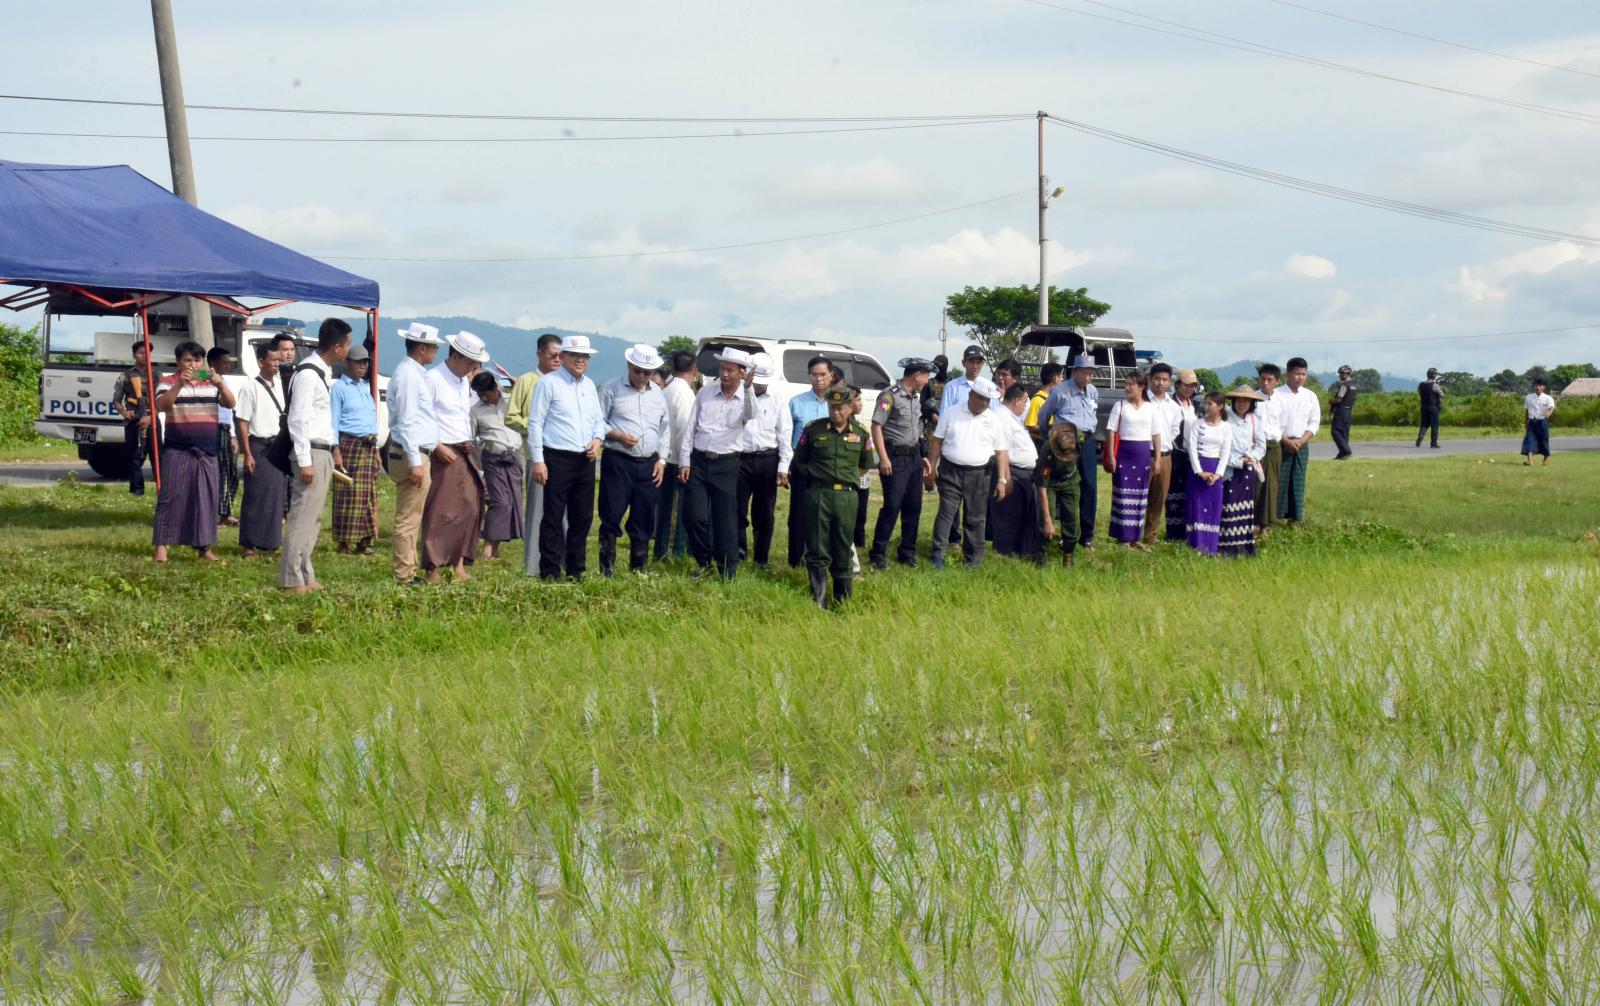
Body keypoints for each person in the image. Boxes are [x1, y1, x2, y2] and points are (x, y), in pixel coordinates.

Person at [279, 319, 351, 593]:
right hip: (310, 450)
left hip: (322, 450)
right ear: (337, 346)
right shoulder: (308, 374)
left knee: (313, 517)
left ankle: (305, 573)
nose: (347, 349)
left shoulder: (322, 372)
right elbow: (297, 419)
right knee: (301, 516)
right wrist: (305, 460)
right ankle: (291, 578)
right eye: (347, 344)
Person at [526, 334, 604, 581]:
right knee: (553, 515)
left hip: (585, 458)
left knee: (582, 517)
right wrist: (538, 460)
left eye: (585, 356)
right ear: (563, 356)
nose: (581, 360)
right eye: (575, 355)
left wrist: (597, 440)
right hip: (557, 457)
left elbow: (598, 420)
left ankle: (575, 568)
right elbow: (535, 423)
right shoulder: (549, 383)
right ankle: (550, 569)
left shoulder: (589, 385)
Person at [792, 386, 878, 608]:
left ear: (850, 408)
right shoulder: (814, 430)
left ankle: (842, 600)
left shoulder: (860, 433)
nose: (836, 411)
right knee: (817, 547)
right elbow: (800, 461)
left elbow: (865, 466)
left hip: (846, 497)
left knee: (842, 546)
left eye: (840, 407)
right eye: (832, 407)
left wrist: (845, 478)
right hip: (819, 494)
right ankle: (819, 601)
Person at [151, 341, 235, 563]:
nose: (193, 365)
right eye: (188, 360)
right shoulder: (168, 381)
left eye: (197, 360)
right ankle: (161, 545)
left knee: (206, 499)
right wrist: (180, 384)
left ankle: (204, 547)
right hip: (178, 447)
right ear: (178, 362)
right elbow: (162, 406)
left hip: (207, 449)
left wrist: (220, 385)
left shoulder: (211, 382)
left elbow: (230, 403)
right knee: (170, 497)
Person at [679, 347, 756, 579]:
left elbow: (751, 414)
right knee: (693, 515)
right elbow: (690, 427)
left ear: (742, 373)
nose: (725, 374)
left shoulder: (746, 396)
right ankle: (703, 561)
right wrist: (685, 461)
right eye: (722, 369)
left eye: (730, 370)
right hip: (699, 460)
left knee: (725, 520)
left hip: (727, 464)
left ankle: (727, 569)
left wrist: (749, 389)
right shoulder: (705, 393)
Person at [598, 344, 671, 575]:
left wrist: (662, 460)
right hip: (619, 460)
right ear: (629, 365)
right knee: (611, 513)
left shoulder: (657, 393)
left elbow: (665, 429)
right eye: (637, 371)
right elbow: (597, 422)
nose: (641, 376)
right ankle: (606, 569)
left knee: (644, 515)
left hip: (649, 464)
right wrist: (617, 435)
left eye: (647, 373)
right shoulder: (611, 389)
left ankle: (639, 569)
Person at [926, 377, 1010, 569]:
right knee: (946, 514)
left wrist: (1002, 479)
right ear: (971, 395)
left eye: (987, 400)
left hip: (980, 474)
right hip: (951, 471)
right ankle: (937, 555)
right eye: (981, 398)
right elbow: (937, 441)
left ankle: (973, 560)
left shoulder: (993, 420)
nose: (984, 403)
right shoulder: (951, 413)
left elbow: (1001, 451)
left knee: (975, 517)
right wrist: (931, 468)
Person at [386, 323, 443, 585]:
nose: (435, 351)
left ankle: (408, 568)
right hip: (412, 452)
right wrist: (415, 460)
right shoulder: (409, 376)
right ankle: (404, 573)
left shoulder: (412, 373)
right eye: (433, 346)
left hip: (415, 451)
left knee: (412, 515)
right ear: (421, 348)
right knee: (408, 516)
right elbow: (407, 421)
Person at [505, 332, 563, 578]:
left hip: (564, 456)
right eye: (553, 355)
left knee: (563, 513)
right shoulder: (527, 381)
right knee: (537, 512)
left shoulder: (565, 381)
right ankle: (532, 566)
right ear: (540, 354)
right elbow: (511, 416)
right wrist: (535, 426)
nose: (557, 360)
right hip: (537, 455)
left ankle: (560, 564)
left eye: (561, 356)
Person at [868, 357, 935, 569]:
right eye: (926, 376)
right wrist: (883, 458)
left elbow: (914, 431)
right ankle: (878, 554)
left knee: (913, 507)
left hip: (913, 457)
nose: (927, 381)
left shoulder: (915, 398)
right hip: (895, 458)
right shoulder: (890, 395)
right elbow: (876, 426)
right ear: (917, 375)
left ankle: (907, 552)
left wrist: (922, 455)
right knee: (892, 506)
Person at [736, 352, 791, 571]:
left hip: (768, 460)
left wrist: (783, 466)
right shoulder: (737, 396)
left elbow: (784, 433)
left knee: (765, 512)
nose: (760, 385)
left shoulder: (777, 399)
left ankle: (761, 559)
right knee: (737, 509)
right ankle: (738, 553)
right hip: (740, 459)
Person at [1040, 353, 1100, 551]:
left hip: (1087, 441)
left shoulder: (1092, 391)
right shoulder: (1060, 392)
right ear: (1075, 371)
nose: (1088, 377)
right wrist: (1050, 439)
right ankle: (1063, 534)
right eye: (1085, 373)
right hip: (1065, 442)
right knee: (1065, 486)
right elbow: (1043, 416)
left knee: (1089, 486)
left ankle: (1087, 537)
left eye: (1091, 373)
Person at [234, 340, 287, 558]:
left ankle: (271, 541)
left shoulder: (281, 386)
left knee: (275, 496)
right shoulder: (250, 387)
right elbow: (243, 422)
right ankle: (249, 543)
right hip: (258, 444)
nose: (277, 364)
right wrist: (247, 453)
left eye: (278, 360)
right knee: (255, 495)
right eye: (273, 360)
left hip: (277, 446)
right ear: (261, 361)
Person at [785, 354, 836, 568]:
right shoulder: (796, 403)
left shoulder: (838, 403)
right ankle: (796, 558)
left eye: (823, 374)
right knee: (799, 514)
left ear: (831, 376)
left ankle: (822, 557)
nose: (818, 379)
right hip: (802, 465)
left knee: (826, 514)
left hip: (829, 466)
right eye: (814, 375)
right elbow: (786, 435)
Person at [330, 344, 380, 555]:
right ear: (347, 363)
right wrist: (335, 450)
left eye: (365, 362)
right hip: (349, 444)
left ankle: (364, 541)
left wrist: (376, 449)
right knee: (347, 494)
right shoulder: (339, 388)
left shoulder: (364, 387)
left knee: (368, 494)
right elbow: (333, 421)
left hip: (368, 445)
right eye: (358, 362)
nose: (363, 366)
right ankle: (344, 542)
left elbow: (370, 419)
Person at [471, 371, 524, 561]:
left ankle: (494, 549)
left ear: (495, 388)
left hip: (513, 457)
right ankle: (487, 550)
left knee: (513, 503)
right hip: (492, 459)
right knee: (499, 502)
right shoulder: (476, 410)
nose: (483, 398)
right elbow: (471, 438)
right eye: (480, 394)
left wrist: (519, 385)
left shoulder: (511, 402)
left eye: (486, 393)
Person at [1104, 372, 1160, 548]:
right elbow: (1111, 431)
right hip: (1124, 455)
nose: (1127, 388)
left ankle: (1136, 538)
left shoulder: (1151, 408)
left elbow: (1156, 435)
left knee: (1141, 496)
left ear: (1141, 387)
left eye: (1131, 384)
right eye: (1126, 384)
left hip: (1143, 455)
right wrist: (1111, 456)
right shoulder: (1120, 406)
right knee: (1123, 495)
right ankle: (1123, 538)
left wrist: (1157, 459)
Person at [654, 350, 698, 562]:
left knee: (665, 508)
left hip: (664, 456)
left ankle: (664, 551)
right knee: (675, 510)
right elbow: (684, 430)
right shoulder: (685, 393)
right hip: (676, 460)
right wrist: (684, 462)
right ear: (694, 371)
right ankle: (670, 554)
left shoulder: (667, 389)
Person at [991, 383, 1042, 559]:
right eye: (1025, 402)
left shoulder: (1011, 417)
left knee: (1022, 515)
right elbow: (1002, 449)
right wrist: (1005, 478)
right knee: (1008, 516)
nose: (1025, 406)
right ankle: (1006, 552)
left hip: (1024, 473)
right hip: (1013, 471)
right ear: (1017, 401)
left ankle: (1021, 551)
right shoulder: (1002, 417)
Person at [1220, 387, 1267, 558]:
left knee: (1245, 508)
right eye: (1239, 400)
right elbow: (1220, 446)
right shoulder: (1225, 419)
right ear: (1233, 401)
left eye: (1246, 400)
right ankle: (1226, 547)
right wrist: (1237, 461)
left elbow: (1261, 445)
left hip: (1248, 469)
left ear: (1251, 403)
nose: (1242, 403)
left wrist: (1251, 457)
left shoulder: (1254, 420)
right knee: (1228, 506)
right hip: (1229, 469)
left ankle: (1243, 546)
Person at [1185, 393, 1231, 556]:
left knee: (1212, 507)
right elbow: (1192, 449)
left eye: (1210, 404)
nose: (1206, 407)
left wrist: (1218, 474)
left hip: (1215, 470)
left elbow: (1225, 452)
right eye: (1205, 403)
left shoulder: (1226, 427)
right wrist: (1199, 471)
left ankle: (1210, 547)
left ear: (1220, 406)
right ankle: (1195, 544)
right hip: (1199, 469)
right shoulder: (1197, 424)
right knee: (1196, 505)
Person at [1276, 357, 1320, 525]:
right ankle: (1275, 517)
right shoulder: (1277, 395)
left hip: (1302, 444)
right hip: (1281, 443)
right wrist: (1285, 440)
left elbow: (1314, 423)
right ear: (1288, 374)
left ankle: (1295, 519)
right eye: (1297, 374)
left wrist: (1301, 441)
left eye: (1303, 374)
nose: (1300, 377)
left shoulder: (1310, 396)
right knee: (1280, 481)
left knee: (1298, 481)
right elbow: (1272, 422)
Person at [1143, 362, 1182, 546]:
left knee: (1159, 497)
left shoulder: (1173, 406)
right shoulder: (1142, 400)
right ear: (1150, 379)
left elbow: (1174, 430)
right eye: (1157, 379)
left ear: (1170, 382)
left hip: (1165, 456)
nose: (1161, 383)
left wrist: (1163, 446)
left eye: (1165, 379)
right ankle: (1132, 534)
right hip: (1143, 454)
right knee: (1139, 496)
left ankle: (1150, 536)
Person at [111, 340, 155, 496]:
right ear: (134, 355)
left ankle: (162, 489)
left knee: (157, 455)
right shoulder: (125, 376)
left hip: (153, 419)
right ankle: (137, 490)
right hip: (134, 419)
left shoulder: (157, 375)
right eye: (141, 353)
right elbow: (116, 400)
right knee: (134, 456)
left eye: (147, 353)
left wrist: (151, 416)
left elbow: (162, 399)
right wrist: (124, 413)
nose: (144, 356)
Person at [1163, 369, 1202, 542]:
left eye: (1192, 386)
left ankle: (1187, 531)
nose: (1189, 389)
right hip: (1175, 452)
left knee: (1188, 492)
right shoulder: (1170, 404)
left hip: (1192, 455)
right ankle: (1173, 532)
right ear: (1178, 384)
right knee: (1174, 492)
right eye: (1186, 385)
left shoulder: (1196, 405)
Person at [1037, 422, 1082, 565]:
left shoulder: (1078, 439)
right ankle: (1041, 553)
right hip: (1051, 482)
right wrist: (1048, 521)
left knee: (1071, 516)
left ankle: (1068, 554)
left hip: (1071, 480)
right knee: (1047, 515)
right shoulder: (1047, 452)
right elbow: (1042, 487)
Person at [206, 347, 240, 526]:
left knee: (231, 473)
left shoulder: (224, 382)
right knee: (218, 473)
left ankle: (226, 511)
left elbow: (229, 410)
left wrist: (233, 435)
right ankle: (217, 514)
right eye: (224, 363)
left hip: (226, 430)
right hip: (212, 429)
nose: (227, 366)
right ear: (213, 363)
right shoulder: (205, 380)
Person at [1253, 363, 1284, 539]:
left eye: (1269, 380)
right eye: (1262, 379)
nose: (1265, 383)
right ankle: (1255, 523)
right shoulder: (1253, 398)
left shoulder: (1281, 400)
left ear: (1277, 382)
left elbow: (1284, 424)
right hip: (1257, 446)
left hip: (1275, 445)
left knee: (1272, 485)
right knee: (1257, 483)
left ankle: (1266, 524)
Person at [939, 344, 987, 414]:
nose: (975, 366)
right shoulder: (951, 387)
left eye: (978, 363)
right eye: (971, 362)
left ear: (983, 364)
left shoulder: (987, 388)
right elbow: (944, 415)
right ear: (963, 363)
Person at [1522, 377, 1557, 465]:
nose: (1538, 387)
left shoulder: (1548, 398)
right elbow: (1527, 410)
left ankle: (1545, 460)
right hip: (1532, 422)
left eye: (1540, 385)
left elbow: (1551, 408)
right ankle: (1530, 460)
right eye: (1536, 385)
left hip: (1542, 422)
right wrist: (1526, 421)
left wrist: (1548, 414)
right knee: (1530, 440)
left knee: (1544, 441)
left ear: (1543, 387)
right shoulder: (1528, 398)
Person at [1026, 362, 1063, 443]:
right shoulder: (1037, 400)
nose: (1062, 379)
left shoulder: (1054, 399)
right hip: (1041, 443)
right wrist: (1051, 429)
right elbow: (1030, 426)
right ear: (1055, 378)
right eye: (1061, 376)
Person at [1329, 364, 1357, 460]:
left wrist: (1331, 401)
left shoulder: (1344, 385)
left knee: (1335, 431)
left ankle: (1346, 451)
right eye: (1340, 373)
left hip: (1341, 410)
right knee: (1344, 432)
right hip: (1348, 410)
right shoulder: (1354, 386)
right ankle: (1343, 454)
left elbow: (1339, 399)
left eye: (1342, 373)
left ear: (1347, 374)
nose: (1340, 375)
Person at [1416, 367, 1444, 449]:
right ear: (1435, 375)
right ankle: (1433, 443)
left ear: (1427, 375)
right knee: (1434, 425)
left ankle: (1421, 435)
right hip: (1433, 407)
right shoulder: (1435, 385)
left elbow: (1419, 393)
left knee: (1424, 424)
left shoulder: (1421, 385)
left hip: (1423, 407)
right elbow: (1442, 395)